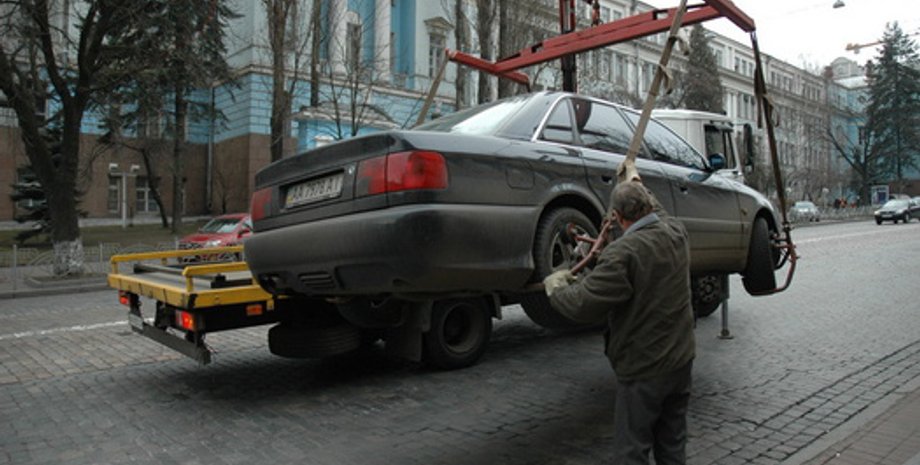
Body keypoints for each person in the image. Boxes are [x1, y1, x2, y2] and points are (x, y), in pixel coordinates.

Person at [543, 170, 695, 465]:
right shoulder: (677, 232)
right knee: (672, 444)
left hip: (644, 369)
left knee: (631, 451)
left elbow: (583, 304)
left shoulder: (623, 253)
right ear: (648, 206)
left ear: (616, 217)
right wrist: (634, 179)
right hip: (681, 361)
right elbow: (658, 211)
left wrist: (556, 288)